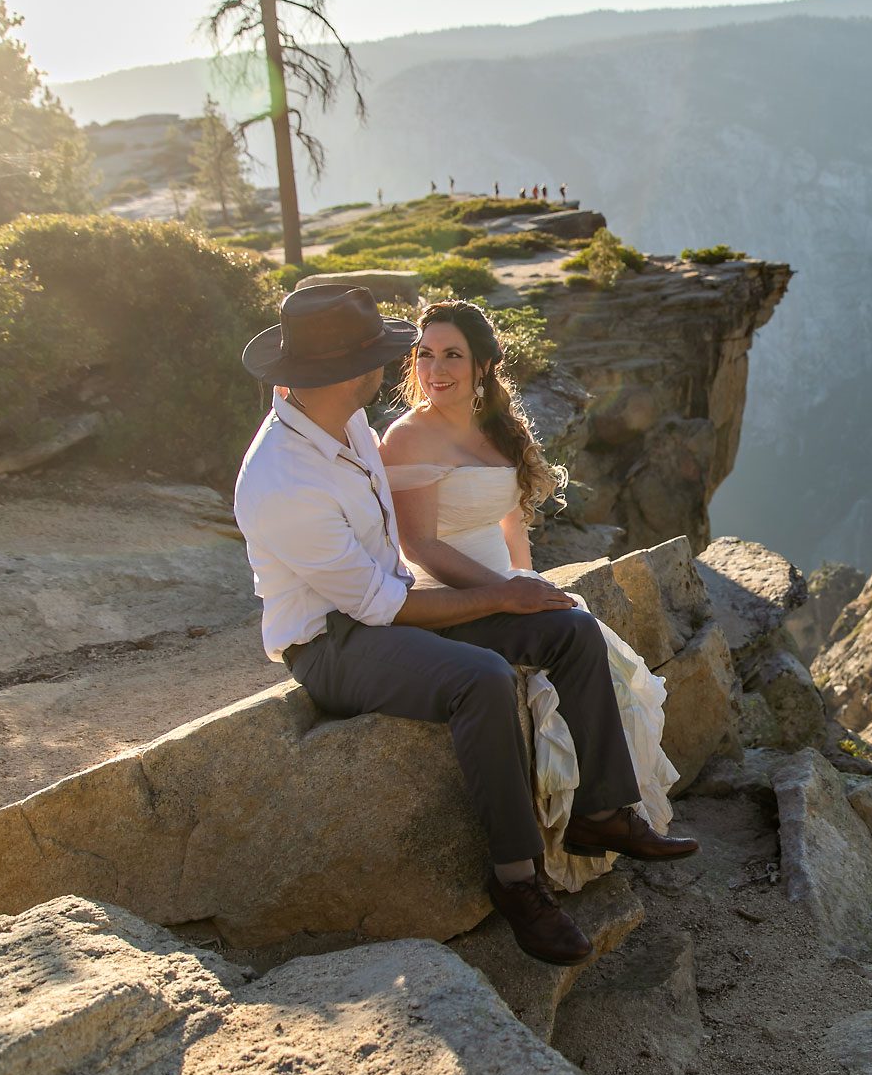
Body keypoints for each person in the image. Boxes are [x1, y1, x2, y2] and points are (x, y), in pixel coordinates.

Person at [233, 285, 696, 968]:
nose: (397, 367)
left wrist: (517, 593)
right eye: (385, 356)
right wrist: (500, 598)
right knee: (479, 680)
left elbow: (395, 581)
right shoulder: (283, 478)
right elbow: (376, 609)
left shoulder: (341, 421)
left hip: (385, 606)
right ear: (339, 373)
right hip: (331, 642)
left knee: (568, 629)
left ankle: (600, 811)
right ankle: (517, 881)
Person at [378, 298, 681, 893]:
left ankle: (604, 815)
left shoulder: (495, 429)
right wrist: (504, 593)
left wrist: (531, 580)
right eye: (426, 354)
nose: (435, 368)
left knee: (581, 628)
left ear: (483, 364)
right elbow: (419, 547)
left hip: (503, 586)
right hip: (447, 600)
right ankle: (599, 818)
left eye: (452, 355)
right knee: (572, 634)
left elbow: (511, 519)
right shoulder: (409, 437)